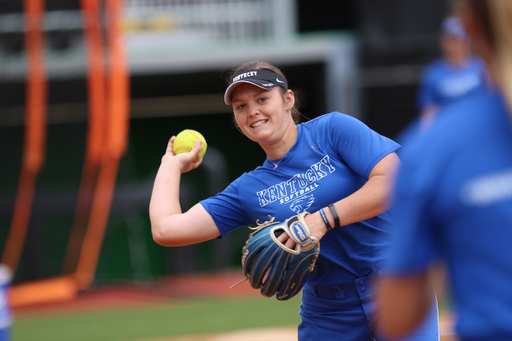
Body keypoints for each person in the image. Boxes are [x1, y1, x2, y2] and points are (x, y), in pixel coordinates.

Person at [149, 60, 438, 340]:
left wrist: (322, 220)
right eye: (241, 107)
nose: (252, 112)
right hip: (329, 308)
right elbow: (167, 230)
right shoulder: (248, 189)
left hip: (396, 280)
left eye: (262, 99)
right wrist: (170, 166)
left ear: (288, 99)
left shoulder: (333, 131)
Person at [379, 1, 512, 340]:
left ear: (469, 26)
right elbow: (431, 111)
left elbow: (398, 317)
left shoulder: (430, 153)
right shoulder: (437, 75)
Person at [395, 15, 489, 147]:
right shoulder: (433, 72)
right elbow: (429, 112)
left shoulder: (481, 68)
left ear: (467, 41)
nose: (452, 46)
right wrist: (426, 139)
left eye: (456, 40)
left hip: (479, 129)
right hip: (448, 135)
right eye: (448, 40)